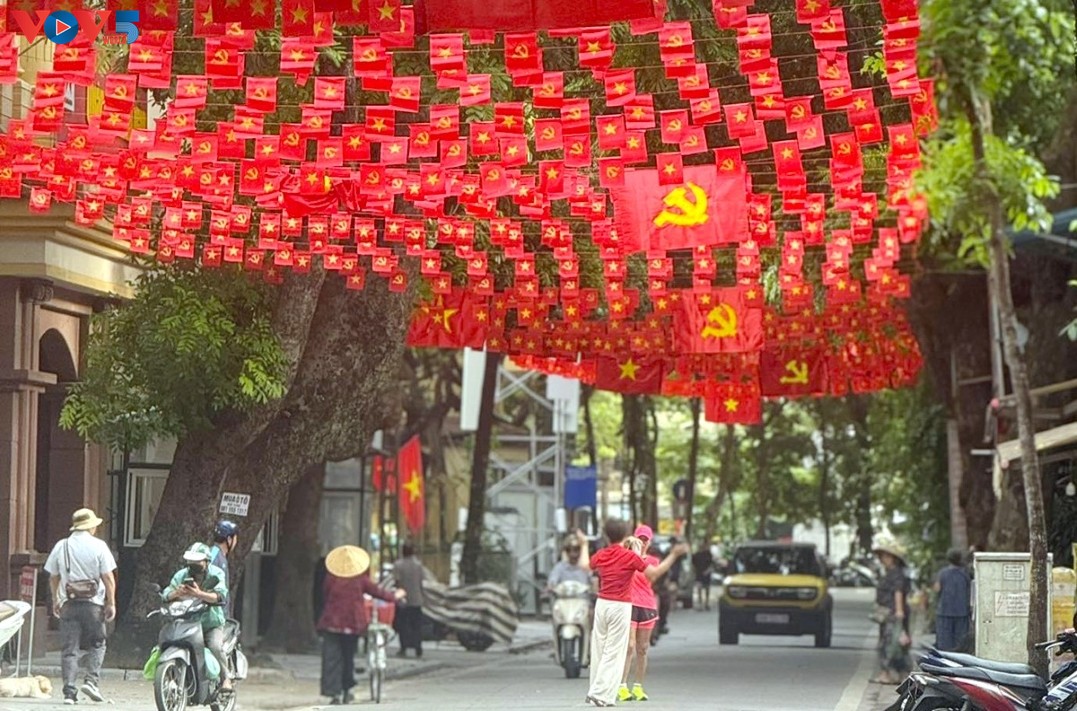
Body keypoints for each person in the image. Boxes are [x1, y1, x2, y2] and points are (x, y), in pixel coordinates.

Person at [581, 519, 688, 708]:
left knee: (599, 648)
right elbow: (653, 573)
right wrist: (673, 555)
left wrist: (583, 544)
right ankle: (601, 694)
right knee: (614, 651)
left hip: (602, 604)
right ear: (626, 535)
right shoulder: (629, 556)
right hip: (620, 605)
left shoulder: (602, 554)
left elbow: (585, 565)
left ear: (606, 536)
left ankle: (594, 690)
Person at [44, 507, 118, 705]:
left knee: (69, 648)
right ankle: (91, 681)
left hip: (68, 604)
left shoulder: (62, 546)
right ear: (91, 527)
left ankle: (69, 692)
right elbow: (108, 577)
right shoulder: (99, 546)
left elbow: (53, 576)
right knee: (98, 643)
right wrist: (111, 602)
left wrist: (56, 599)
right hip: (93, 605)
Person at [318, 545, 404, 705]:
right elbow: (377, 592)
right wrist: (395, 597)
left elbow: (325, 594)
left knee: (332, 658)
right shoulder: (359, 579)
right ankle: (347, 690)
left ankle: (334, 693)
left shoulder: (331, 578)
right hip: (352, 622)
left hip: (331, 622)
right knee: (348, 657)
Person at [162, 543, 232, 693]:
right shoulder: (181, 575)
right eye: (191, 561)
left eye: (197, 561)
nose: (194, 564)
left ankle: (225, 678)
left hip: (210, 623)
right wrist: (177, 593)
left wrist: (198, 594)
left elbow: (219, 596)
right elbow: (166, 593)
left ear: (206, 561)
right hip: (187, 621)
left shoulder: (216, 574)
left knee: (215, 646)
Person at [618, 526, 660, 703]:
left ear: (649, 542)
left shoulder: (653, 562)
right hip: (629, 605)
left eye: (645, 540)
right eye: (639, 539)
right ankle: (621, 686)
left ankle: (638, 687)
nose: (642, 543)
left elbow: (651, 577)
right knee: (629, 646)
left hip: (647, 606)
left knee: (642, 648)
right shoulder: (624, 557)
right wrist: (628, 547)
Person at [872, 540, 912, 685]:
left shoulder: (896, 574)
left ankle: (889, 673)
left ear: (892, 558)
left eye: (885, 556)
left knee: (891, 644)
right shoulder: (889, 573)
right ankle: (896, 673)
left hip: (894, 613)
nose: (882, 559)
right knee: (893, 643)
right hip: (889, 613)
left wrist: (899, 611)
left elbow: (898, 592)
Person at [933, 549, 971, 651]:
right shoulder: (965, 574)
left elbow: (937, 589)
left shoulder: (942, 573)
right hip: (962, 612)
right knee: (960, 643)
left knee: (944, 642)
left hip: (944, 611)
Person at [393, 543, 425, 658]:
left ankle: (403, 648)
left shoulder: (398, 565)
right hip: (417, 599)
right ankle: (418, 648)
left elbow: (397, 582)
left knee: (403, 626)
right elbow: (421, 582)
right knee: (416, 626)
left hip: (403, 601)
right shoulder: (418, 565)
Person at [209, 520, 238, 617]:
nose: (236, 542)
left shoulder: (221, 556)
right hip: (213, 615)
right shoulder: (213, 554)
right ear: (229, 539)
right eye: (235, 538)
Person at [692, 546, 715, 611]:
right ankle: (700, 603)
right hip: (699, 573)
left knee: (707, 588)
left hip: (707, 574)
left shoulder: (708, 554)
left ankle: (706, 603)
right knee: (699, 588)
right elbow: (693, 564)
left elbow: (711, 564)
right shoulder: (696, 555)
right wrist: (694, 572)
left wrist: (708, 571)